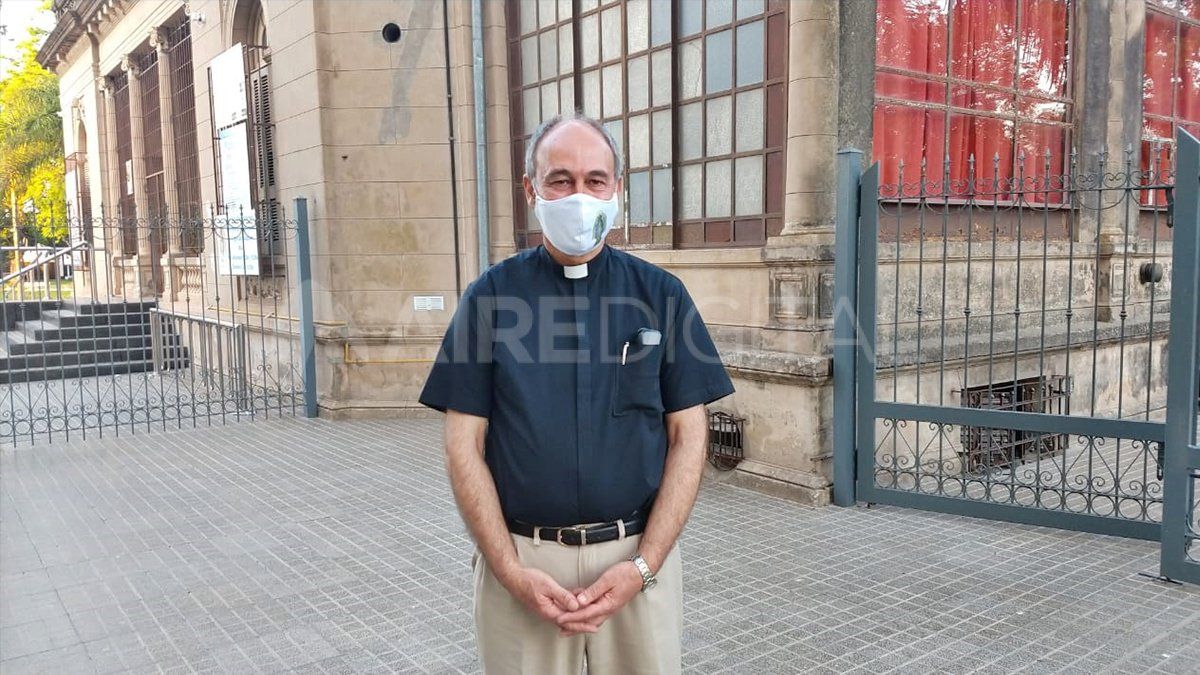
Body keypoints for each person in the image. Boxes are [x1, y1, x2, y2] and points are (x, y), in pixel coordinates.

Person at [419, 113, 734, 674]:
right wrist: (510, 572)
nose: (579, 195)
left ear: (618, 189)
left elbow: (690, 437)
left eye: (595, 180)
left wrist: (644, 565)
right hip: (522, 563)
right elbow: (462, 447)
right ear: (531, 189)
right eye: (560, 180)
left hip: (636, 561)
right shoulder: (489, 300)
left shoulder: (661, 296)